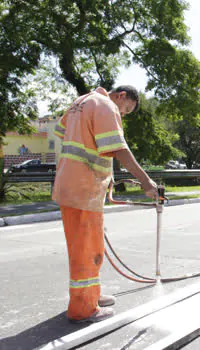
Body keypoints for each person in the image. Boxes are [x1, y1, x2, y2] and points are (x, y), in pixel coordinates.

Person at [52, 85, 158, 323]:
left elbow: (63, 133)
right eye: (126, 109)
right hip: (83, 187)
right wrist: (145, 181)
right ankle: (83, 309)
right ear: (121, 96)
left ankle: (91, 295)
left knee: (91, 247)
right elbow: (119, 149)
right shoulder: (106, 106)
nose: (123, 114)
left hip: (74, 185)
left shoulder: (80, 102)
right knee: (85, 250)